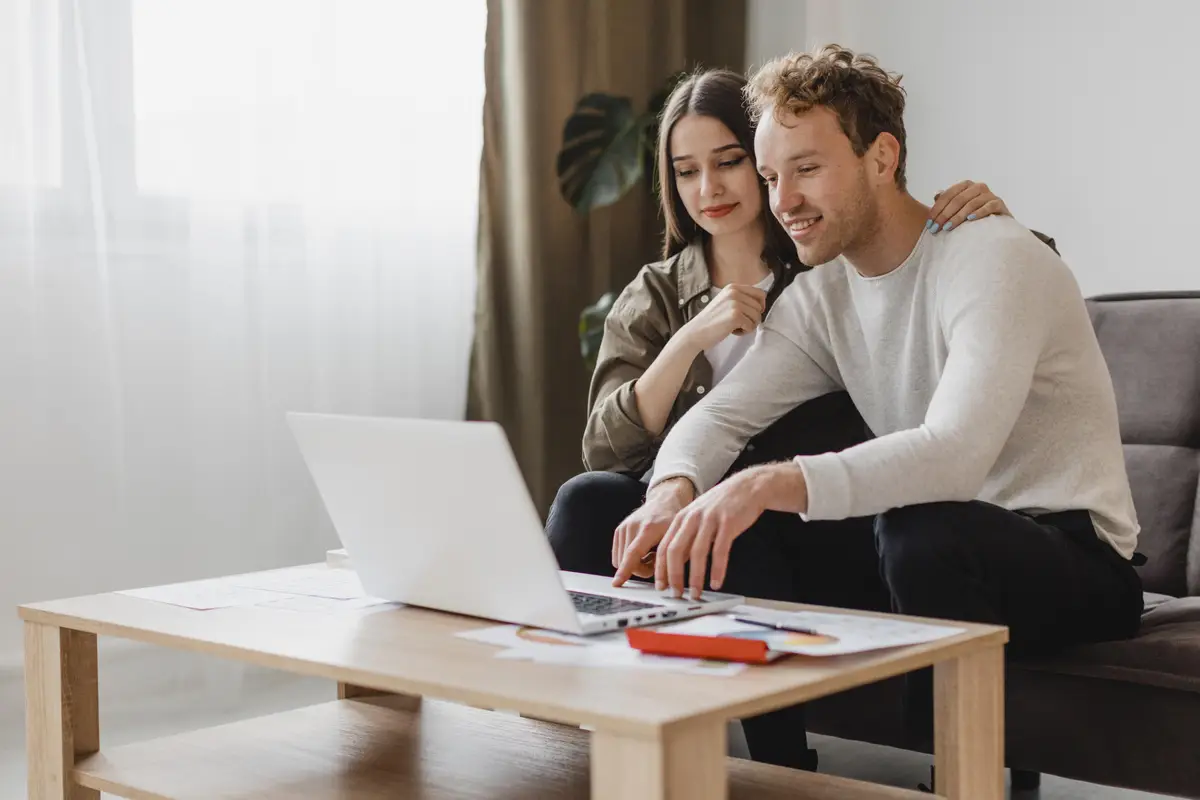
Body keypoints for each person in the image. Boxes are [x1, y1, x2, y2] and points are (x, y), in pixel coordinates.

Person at [607, 45, 1143, 768]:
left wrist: (767, 482)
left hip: (1074, 556)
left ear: (882, 157)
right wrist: (674, 490)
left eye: (807, 169)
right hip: (925, 544)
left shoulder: (993, 257)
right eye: (770, 177)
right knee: (736, 519)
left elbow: (955, 453)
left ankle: (954, 779)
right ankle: (772, 770)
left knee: (919, 531)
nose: (783, 202)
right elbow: (720, 416)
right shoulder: (823, 295)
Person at [545, 67, 1038, 772]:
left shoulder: (824, 264)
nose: (708, 189)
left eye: (730, 162)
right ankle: (563, 738)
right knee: (585, 499)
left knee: (743, 513)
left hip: (816, 513)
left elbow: (984, 281)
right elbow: (611, 444)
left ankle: (780, 763)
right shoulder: (661, 291)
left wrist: (993, 224)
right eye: (686, 172)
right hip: (697, 492)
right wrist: (689, 343)